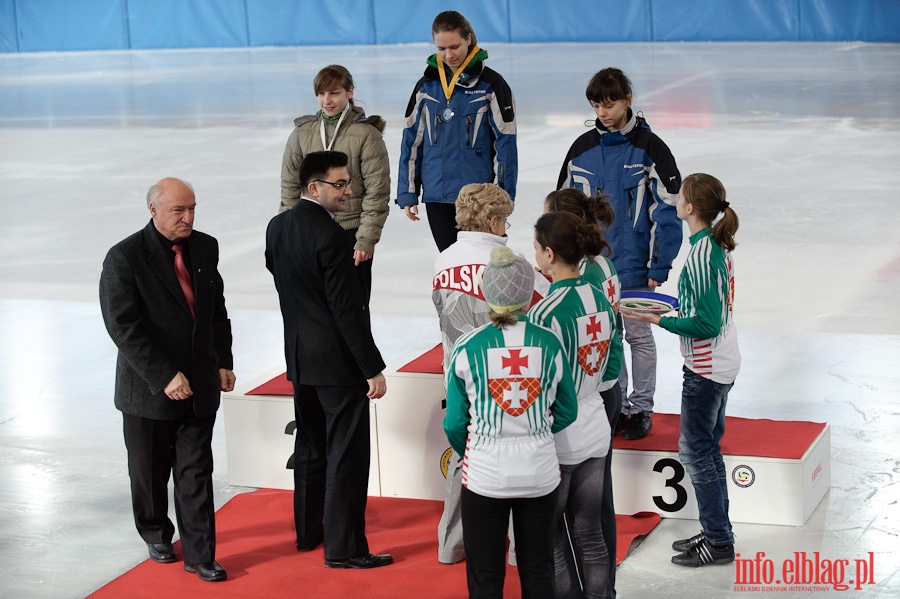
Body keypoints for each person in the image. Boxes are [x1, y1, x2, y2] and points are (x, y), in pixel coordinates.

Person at [99, 177, 235, 583]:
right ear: (154, 210)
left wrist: (222, 360)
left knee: (196, 471)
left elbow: (216, 310)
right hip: (148, 388)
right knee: (150, 471)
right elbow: (123, 326)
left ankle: (200, 554)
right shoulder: (124, 257)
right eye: (179, 210)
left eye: (192, 208)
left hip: (200, 384)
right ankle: (156, 531)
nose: (188, 217)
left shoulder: (205, 246)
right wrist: (163, 375)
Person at [266, 151, 392, 570]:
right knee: (346, 455)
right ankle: (345, 548)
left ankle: (308, 534)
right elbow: (346, 310)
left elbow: (282, 279)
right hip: (337, 365)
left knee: (310, 446)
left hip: (300, 358)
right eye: (340, 184)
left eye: (349, 183)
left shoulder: (277, 227)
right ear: (314, 187)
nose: (349, 191)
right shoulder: (334, 238)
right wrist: (369, 366)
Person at [444, 245, 578, 598]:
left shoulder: (467, 346)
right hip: (540, 473)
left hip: (485, 474)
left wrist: (477, 447)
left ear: (488, 293)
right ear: (526, 294)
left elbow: (455, 424)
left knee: (485, 575)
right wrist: (537, 435)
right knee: (538, 568)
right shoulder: (549, 342)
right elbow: (567, 410)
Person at [621, 173, 740, 567]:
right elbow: (705, 310)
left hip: (706, 370)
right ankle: (716, 531)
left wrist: (659, 320)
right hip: (717, 363)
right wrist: (672, 311)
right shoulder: (710, 247)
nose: (675, 198)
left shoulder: (705, 254)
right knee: (707, 450)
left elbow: (705, 323)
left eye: (681, 195)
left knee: (696, 452)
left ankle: (719, 541)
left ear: (690, 208)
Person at [558, 67, 683, 441]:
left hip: (635, 265)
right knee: (607, 337)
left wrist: (659, 264)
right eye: (596, 105)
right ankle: (617, 404)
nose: (602, 112)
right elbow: (562, 208)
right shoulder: (581, 149)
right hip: (592, 268)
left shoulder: (651, 148)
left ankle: (641, 407)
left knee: (639, 337)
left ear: (627, 100)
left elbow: (669, 210)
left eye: (609, 104)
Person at [432, 182, 549, 565]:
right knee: (516, 464)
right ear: (495, 219)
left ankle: (451, 545)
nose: (507, 228)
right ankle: (518, 549)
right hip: (506, 378)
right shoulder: (508, 261)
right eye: (506, 221)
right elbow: (542, 303)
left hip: (457, 372)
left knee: (463, 462)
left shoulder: (443, 259)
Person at [529, 212, 623, 598]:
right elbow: (613, 367)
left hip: (560, 434)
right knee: (590, 531)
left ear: (550, 254)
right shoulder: (599, 297)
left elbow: (540, 386)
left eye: (536, 247)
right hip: (596, 423)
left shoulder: (544, 313)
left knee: (550, 537)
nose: (534, 253)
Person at [397, 10, 518, 252]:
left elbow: (505, 146)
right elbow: (411, 141)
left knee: (482, 264)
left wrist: (504, 196)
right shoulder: (426, 87)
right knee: (451, 262)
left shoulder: (492, 85)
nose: (448, 55)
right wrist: (408, 192)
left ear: (469, 40)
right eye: (441, 49)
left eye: (454, 47)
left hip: (478, 200)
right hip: (437, 195)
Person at [279, 64, 390, 303]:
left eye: (334, 93)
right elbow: (289, 187)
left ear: (350, 92)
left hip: (349, 233)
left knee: (353, 306)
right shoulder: (302, 133)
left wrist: (366, 239)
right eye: (321, 94)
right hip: (310, 232)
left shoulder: (367, 135)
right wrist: (287, 232)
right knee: (315, 305)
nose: (326, 100)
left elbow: (377, 191)